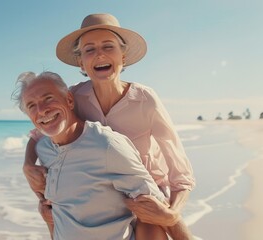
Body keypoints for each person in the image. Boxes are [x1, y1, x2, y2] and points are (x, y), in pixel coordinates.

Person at [23, 13, 195, 239]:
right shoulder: (75, 95)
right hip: (104, 195)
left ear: (123, 56)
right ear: (81, 62)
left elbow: (181, 176)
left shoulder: (145, 99)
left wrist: (172, 215)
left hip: (145, 196)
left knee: (150, 226)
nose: (100, 54)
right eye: (89, 49)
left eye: (108, 46)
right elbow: (39, 133)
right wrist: (27, 165)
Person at [13, 71, 168, 239]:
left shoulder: (106, 144)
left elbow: (156, 208)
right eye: (31, 106)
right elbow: (56, 210)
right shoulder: (43, 149)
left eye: (48, 98)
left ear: (69, 100)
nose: (41, 110)